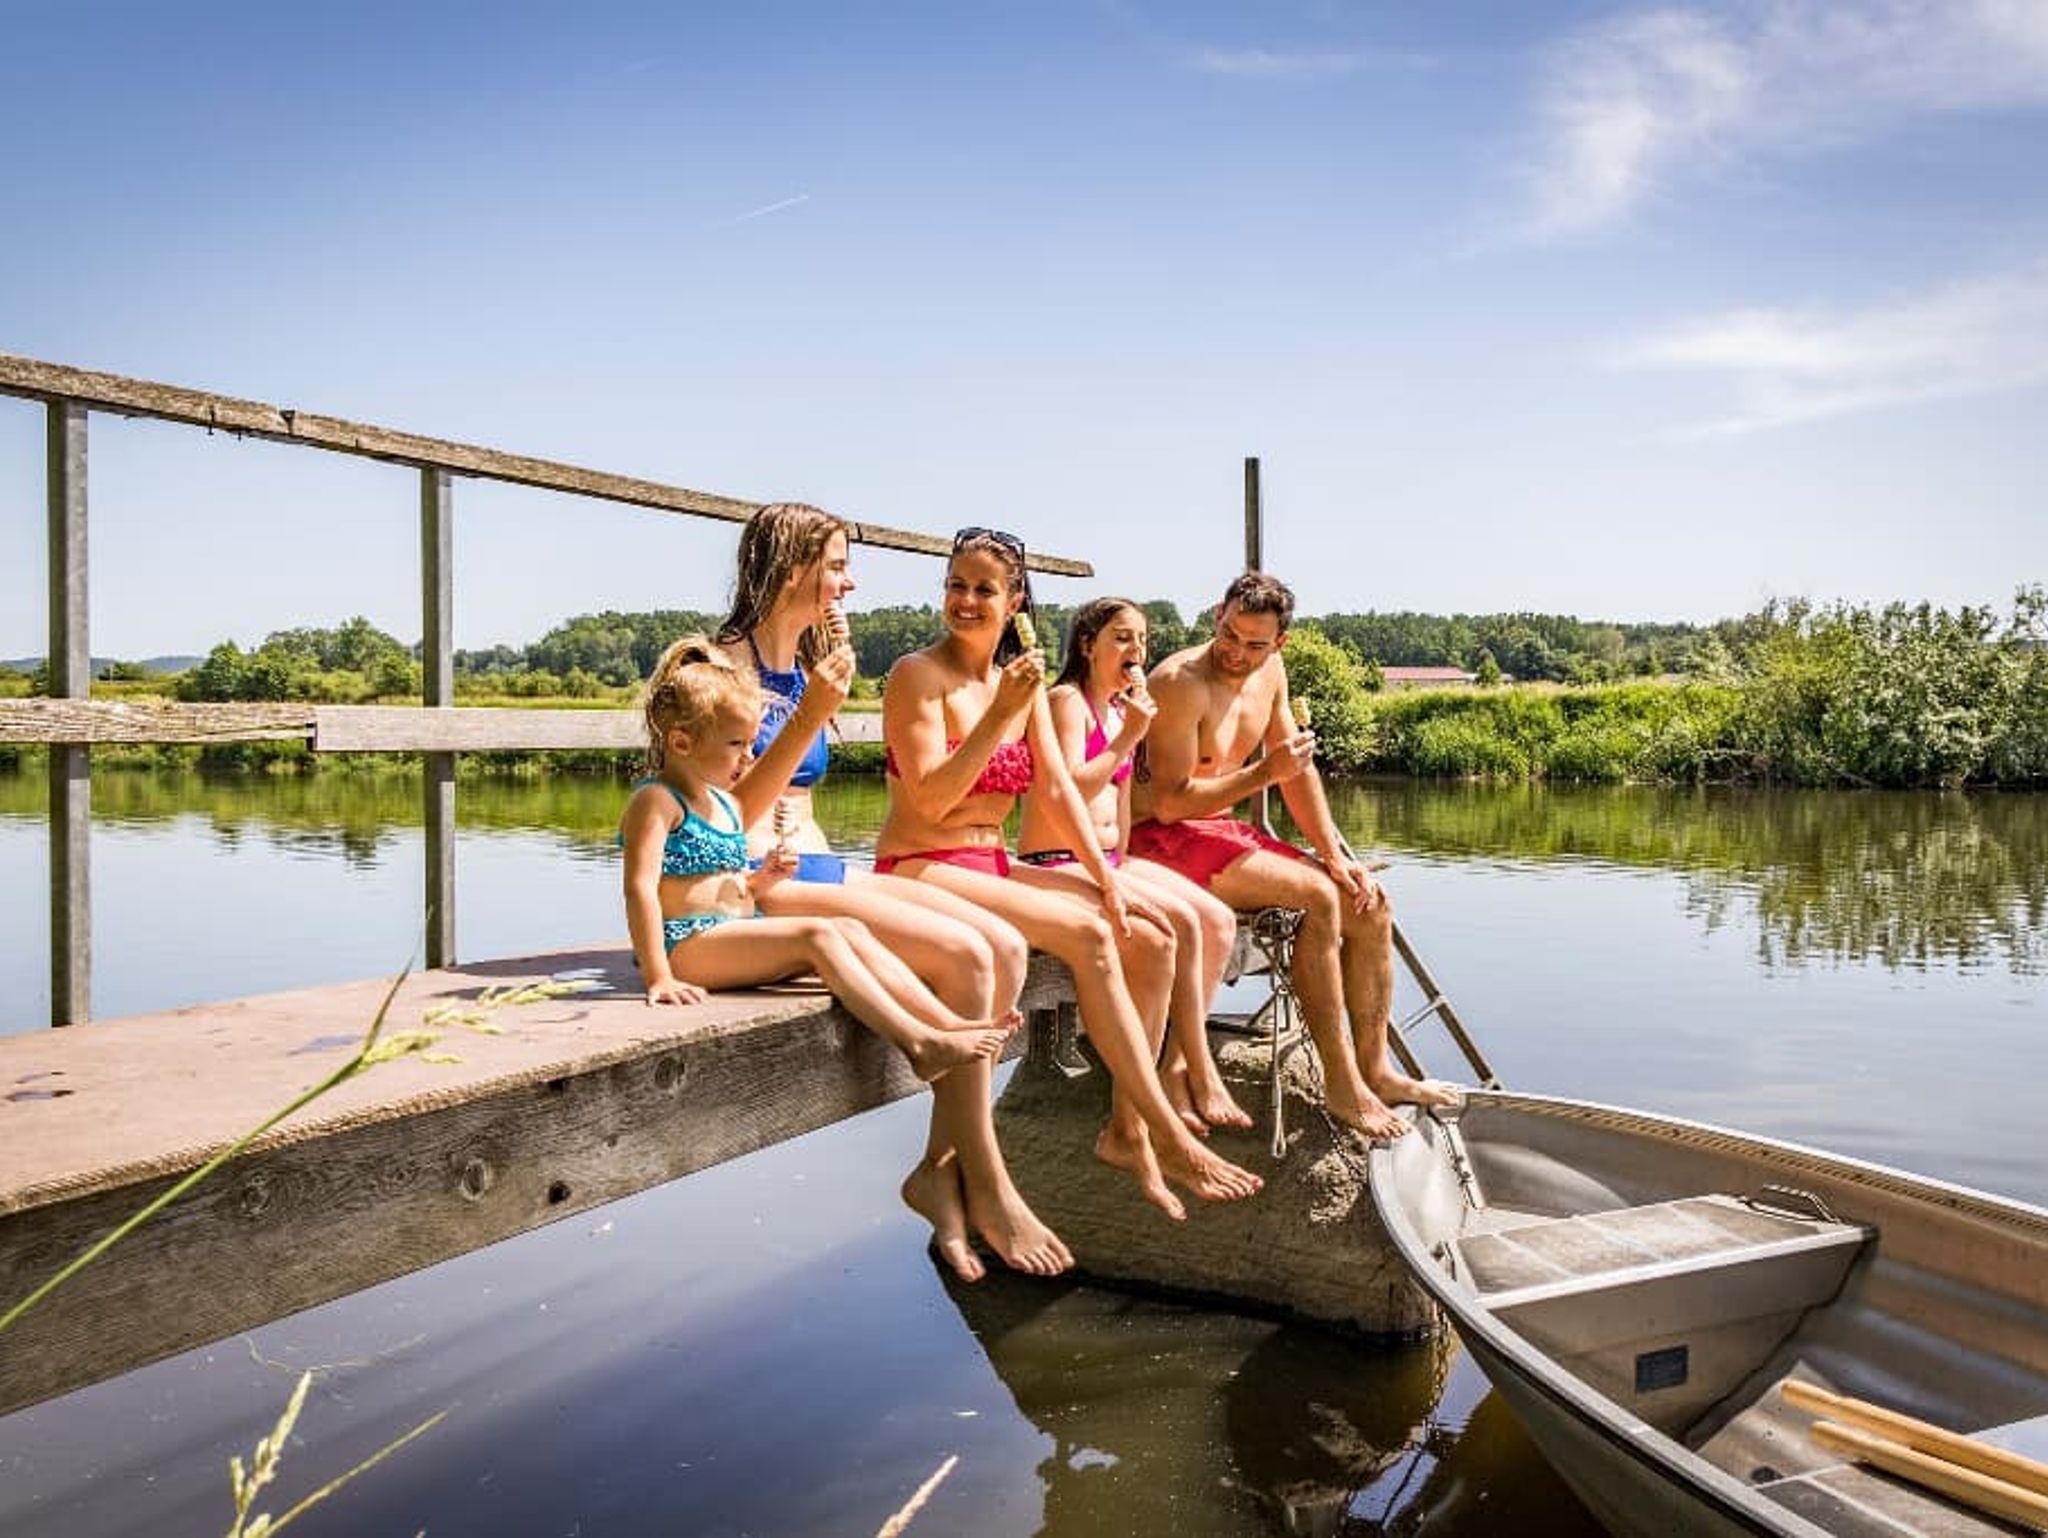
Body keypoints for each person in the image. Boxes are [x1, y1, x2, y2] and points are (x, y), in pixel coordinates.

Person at [714, 503, 1071, 1281]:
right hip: (748, 878)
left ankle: (940, 1171)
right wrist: (812, 715)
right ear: (793, 569)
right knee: (968, 957)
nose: (850, 584)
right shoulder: (721, 669)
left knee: (1003, 947)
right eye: (837, 567)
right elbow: (719, 823)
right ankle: (987, 1183)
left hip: (814, 862)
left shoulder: (803, 661)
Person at [877, 529, 1264, 1219]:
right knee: (1089, 936)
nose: (966, 601)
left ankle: (1129, 1129)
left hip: (992, 864)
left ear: (1015, 601)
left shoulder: (1018, 684)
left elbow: (1057, 791)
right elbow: (931, 798)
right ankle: (1170, 1132)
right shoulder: (918, 675)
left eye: (984, 589)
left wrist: (1109, 882)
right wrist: (1000, 715)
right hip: (922, 863)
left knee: (1145, 932)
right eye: (956, 585)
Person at [1131, 572, 1461, 1140]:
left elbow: (1295, 769)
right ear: (1217, 615)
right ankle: (1341, 1082)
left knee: (1369, 904)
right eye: (1230, 635)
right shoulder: (1178, 682)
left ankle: (1375, 1070)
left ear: (1279, 643)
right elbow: (1168, 802)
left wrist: (1335, 855)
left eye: (1255, 644)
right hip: (1158, 837)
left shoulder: (1273, 672)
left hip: (1218, 830)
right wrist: (1264, 772)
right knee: (1313, 896)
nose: (1237, 652)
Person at [621, 636, 1017, 1093]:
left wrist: (762, 879)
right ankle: (918, 1043)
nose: (749, 756)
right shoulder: (656, 801)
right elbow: (641, 889)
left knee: (849, 928)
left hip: (730, 932)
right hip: (687, 947)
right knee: (819, 934)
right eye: (736, 744)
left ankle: (947, 1023)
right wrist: (659, 975)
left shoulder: (723, 804)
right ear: (682, 742)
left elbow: (723, 885)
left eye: (751, 743)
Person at [1018, 597, 1252, 1134]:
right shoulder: (1066, 702)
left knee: (1215, 920)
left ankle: (1180, 1065)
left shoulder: (1123, 711)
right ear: (1087, 644)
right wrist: (1129, 738)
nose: (1137, 649)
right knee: (1177, 924)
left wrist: (1125, 864)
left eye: (1143, 639)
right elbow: (1067, 792)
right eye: (1122, 637)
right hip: (1056, 860)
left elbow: (1120, 799)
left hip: (1109, 858)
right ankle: (1185, 1078)